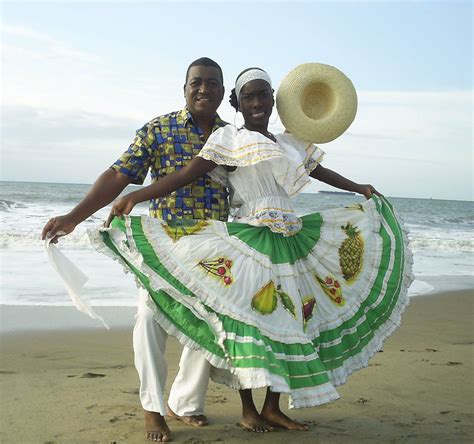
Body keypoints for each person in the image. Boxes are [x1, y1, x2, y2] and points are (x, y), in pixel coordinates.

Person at [93, 68, 412, 434]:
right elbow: (187, 175)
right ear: (237, 102)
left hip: (290, 238)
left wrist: (360, 187)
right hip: (249, 237)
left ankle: (272, 406)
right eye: (249, 97)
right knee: (251, 319)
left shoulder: (287, 142)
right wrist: (135, 195)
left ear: (273, 99)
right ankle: (248, 410)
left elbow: (320, 172)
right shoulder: (228, 137)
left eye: (263, 95)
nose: (257, 102)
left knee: (291, 320)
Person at [41, 57, 231, 442]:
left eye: (212, 83)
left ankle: (186, 402)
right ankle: (153, 409)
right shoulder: (159, 129)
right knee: (148, 319)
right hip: (162, 245)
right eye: (196, 82)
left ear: (223, 93)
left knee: (211, 323)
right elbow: (119, 174)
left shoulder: (232, 136)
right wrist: (76, 216)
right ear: (184, 88)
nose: (204, 89)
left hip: (215, 246)